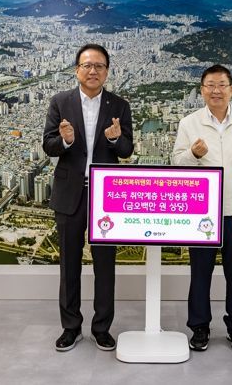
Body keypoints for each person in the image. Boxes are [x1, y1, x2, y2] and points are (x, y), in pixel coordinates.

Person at [42, 44, 134, 352]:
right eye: (87, 65)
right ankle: (70, 328)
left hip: (106, 195)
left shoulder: (119, 105)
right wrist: (66, 141)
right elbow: (48, 145)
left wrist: (115, 139)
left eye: (99, 66)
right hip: (70, 193)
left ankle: (102, 328)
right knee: (69, 265)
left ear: (107, 72)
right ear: (77, 70)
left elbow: (127, 150)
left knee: (105, 265)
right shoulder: (60, 102)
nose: (93, 71)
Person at [172, 64, 232, 352]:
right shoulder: (189, 123)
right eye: (210, 85)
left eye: (222, 85)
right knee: (199, 273)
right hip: (201, 212)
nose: (216, 90)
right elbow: (177, 162)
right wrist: (193, 154)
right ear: (202, 90)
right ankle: (199, 327)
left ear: (231, 89)